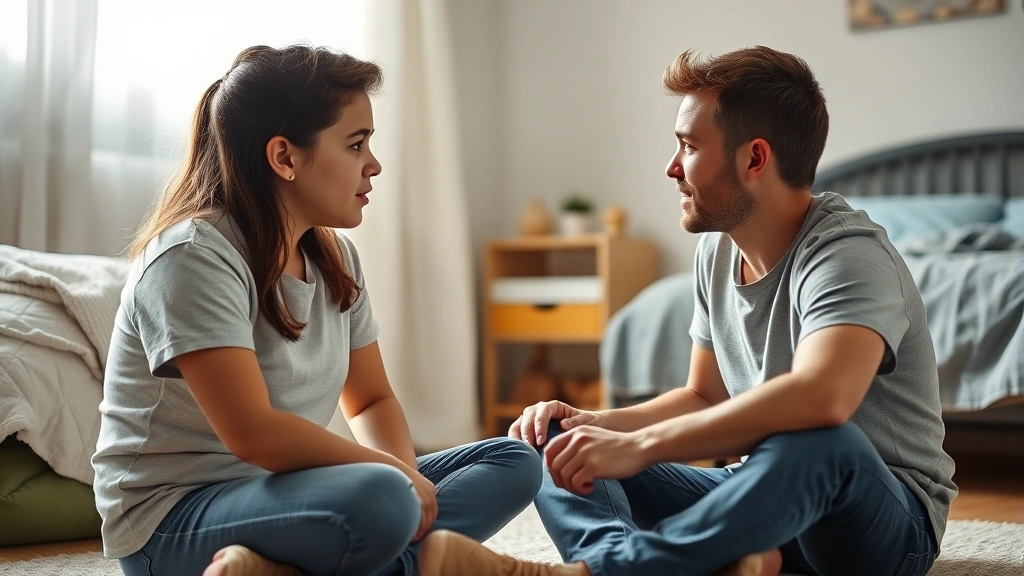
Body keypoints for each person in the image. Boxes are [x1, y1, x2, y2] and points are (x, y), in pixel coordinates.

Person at [415, 46, 957, 576]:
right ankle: (626, 563)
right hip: (758, 497)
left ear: (754, 158)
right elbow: (704, 394)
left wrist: (638, 446)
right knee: (559, 440)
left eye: (689, 147)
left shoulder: (848, 254)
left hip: (880, 523)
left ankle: (614, 569)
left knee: (819, 437)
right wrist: (595, 425)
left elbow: (824, 398)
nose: (671, 167)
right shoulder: (717, 249)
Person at [92, 44, 542, 576]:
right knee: (380, 497)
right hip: (174, 520)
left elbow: (371, 399)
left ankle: (276, 569)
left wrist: (402, 471)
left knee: (513, 462)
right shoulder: (193, 257)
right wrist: (393, 481)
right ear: (284, 157)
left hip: (287, 494)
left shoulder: (335, 256)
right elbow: (253, 433)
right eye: (356, 145)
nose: (373, 164)